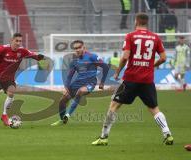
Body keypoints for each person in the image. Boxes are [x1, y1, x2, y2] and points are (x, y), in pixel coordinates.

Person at [92, 13, 174, 146]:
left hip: (130, 78)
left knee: (114, 105)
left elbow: (125, 56)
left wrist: (117, 72)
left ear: (136, 21)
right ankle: (167, 134)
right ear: (146, 22)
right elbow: (164, 58)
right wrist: (152, 66)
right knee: (154, 108)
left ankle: (103, 137)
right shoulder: (155, 37)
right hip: (147, 80)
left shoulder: (130, 36)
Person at [51, 40, 109, 126]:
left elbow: (105, 67)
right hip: (77, 83)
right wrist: (66, 86)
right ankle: (62, 120)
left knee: (81, 91)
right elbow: (69, 76)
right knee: (62, 101)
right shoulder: (74, 61)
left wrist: (102, 82)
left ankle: (68, 114)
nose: (77, 50)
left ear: (84, 48)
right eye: (75, 48)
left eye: (79, 47)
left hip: (90, 83)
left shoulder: (92, 57)